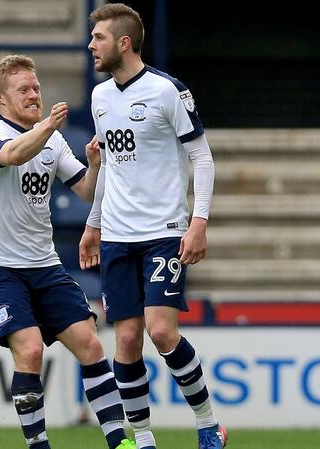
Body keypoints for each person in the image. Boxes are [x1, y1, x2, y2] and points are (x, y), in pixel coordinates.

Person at [79, 5, 226, 449]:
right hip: (118, 236)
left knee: (161, 331)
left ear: (124, 43)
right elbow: (109, 168)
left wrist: (198, 220)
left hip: (163, 231)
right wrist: (93, 224)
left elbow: (202, 157)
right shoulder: (100, 97)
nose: (91, 46)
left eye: (99, 37)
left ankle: (208, 424)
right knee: (125, 339)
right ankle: (142, 440)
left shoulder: (168, 91)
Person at [0, 54, 135, 449]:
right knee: (28, 350)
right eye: (22, 90)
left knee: (91, 344)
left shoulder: (52, 140)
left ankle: (120, 442)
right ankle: (39, 445)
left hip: (44, 265)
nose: (32, 95)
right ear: (0, 98)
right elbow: (12, 156)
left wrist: (94, 165)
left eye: (36, 88)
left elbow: (84, 190)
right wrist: (45, 127)